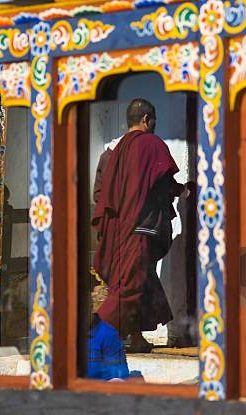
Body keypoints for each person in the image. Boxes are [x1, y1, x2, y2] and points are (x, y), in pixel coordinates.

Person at [92, 98, 185, 353]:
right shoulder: (151, 144)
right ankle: (92, 339)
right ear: (147, 119)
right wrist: (184, 190)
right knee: (129, 287)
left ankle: (136, 338)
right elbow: (164, 182)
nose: (154, 125)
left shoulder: (116, 149)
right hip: (140, 229)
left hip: (119, 229)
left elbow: (101, 193)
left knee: (139, 283)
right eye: (154, 120)